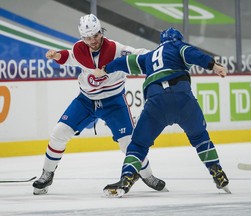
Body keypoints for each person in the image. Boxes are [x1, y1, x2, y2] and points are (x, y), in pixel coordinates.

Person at [32, 14, 166, 195]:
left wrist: (160, 56)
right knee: (59, 133)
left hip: (114, 102)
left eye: (95, 35)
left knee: (129, 144)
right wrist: (56, 55)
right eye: (87, 37)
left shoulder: (115, 48)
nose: (92, 41)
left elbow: (139, 54)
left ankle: (148, 175)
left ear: (101, 32)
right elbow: (70, 56)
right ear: (82, 37)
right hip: (85, 101)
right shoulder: (79, 49)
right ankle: (47, 174)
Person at [94, 27, 230, 197]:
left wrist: (105, 69)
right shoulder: (177, 46)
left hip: (156, 103)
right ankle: (216, 171)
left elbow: (125, 62)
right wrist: (213, 65)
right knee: (200, 137)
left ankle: (126, 178)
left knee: (138, 145)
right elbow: (192, 53)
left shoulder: (149, 56)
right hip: (183, 99)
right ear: (177, 39)